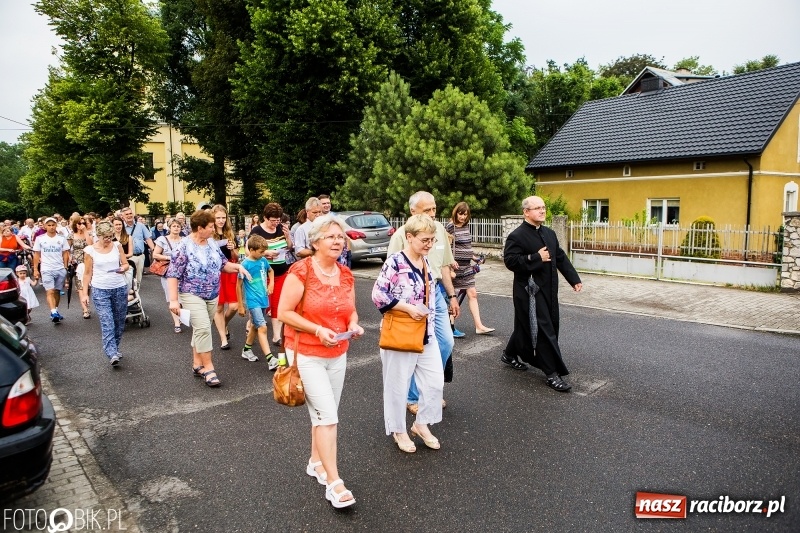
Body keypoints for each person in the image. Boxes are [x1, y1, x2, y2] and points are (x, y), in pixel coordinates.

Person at [278, 214, 362, 509]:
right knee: (328, 417)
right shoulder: (300, 272)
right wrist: (316, 329)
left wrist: (354, 324)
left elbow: (350, 311)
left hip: (338, 353)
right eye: (331, 236)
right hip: (306, 353)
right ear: (315, 242)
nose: (338, 241)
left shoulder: (346, 274)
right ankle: (334, 482)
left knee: (324, 414)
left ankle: (315, 462)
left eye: (341, 236)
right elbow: (284, 312)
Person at [373, 214, 444, 454]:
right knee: (397, 386)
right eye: (425, 239)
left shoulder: (426, 262)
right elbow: (378, 295)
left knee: (435, 383)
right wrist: (408, 308)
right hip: (400, 334)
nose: (429, 244)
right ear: (409, 237)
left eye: (432, 240)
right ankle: (398, 430)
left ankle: (421, 424)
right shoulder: (395, 262)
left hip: (426, 333)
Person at [387, 191, 460, 415]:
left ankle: (428, 388)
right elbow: (390, 275)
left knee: (446, 342)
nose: (432, 213)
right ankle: (412, 397)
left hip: (435, 292)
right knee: (414, 347)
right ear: (412, 212)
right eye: (427, 209)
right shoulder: (401, 236)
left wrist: (452, 296)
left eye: (434, 208)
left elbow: (445, 267)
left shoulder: (439, 230)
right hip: (410, 297)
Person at [502, 196, 583, 392]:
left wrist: (574, 279)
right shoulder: (517, 236)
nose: (542, 211)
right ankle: (551, 373)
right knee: (543, 329)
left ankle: (509, 354)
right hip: (529, 292)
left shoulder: (549, 233)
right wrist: (536, 257)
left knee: (528, 324)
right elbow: (510, 261)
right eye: (537, 208)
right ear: (526, 212)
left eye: (543, 207)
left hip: (548, 289)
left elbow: (560, 257)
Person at [166, 210, 251, 388]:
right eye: (210, 226)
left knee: (201, 328)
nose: (214, 229)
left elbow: (222, 264)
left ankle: (197, 364)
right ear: (199, 228)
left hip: (213, 293)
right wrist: (174, 300)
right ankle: (209, 368)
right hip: (191, 293)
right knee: (204, 328)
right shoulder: (183, 247)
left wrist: (238, 267)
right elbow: (173, 275)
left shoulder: (211, 243)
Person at [80, 221, 132, 366]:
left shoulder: (117, 246)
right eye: (105, 237)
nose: (108, 239)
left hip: (119, 287)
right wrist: (85, 294)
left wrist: (123, 268)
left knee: (119, 321)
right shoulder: (90, 250)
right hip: (100, 289)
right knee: (107, 321)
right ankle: (112, 353)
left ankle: (115, 347)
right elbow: (87, 273)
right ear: (98, 236)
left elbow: (126, 264)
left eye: (110, 236)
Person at [249, 203, 293, 346]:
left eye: (278, 220)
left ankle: (276, 336)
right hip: (262, 274)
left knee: (277, 304)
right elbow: (249, 251)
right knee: (261, 303)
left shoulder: (281, 228)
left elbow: (290, 247)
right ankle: (251, 326)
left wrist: (288, 236)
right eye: (273, 220)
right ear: (265, 218)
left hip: (281, 272)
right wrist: (266, 253)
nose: (275, 223)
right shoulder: (256, 230)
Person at [446, 202, 494, 335]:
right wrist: (450, 261)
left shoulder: (466, 227)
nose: (462, 217)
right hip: (455, 268)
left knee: (473, 294)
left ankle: (479, 326)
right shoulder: (450, 227)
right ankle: (450, 326)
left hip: (467, 266)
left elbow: (466, 247)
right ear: (456, 213)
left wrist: (474, 257)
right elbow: (445, 246)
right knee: (453, 296)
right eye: (460, 214)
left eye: (465, 214)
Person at [236, 234, 277, 366]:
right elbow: (238, 285)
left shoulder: (263, 261)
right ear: (252, 250)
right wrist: (241, 305)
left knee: (254, 325)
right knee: (263, 327)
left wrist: (271, 284)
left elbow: (271, 271)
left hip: (263, 299)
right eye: (261, 252)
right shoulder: (245, 264)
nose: (263, 254)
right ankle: (270, 359)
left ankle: (246, 350)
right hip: (253, 301)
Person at [211, 204, 239, 351]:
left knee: (234, 306)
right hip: (216, 272)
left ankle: (223, 323)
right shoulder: (209, 234)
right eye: (218, 218)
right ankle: (223, 338)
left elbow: (236, 257)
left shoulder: (230, 233)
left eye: (223, 217)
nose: (221, 220)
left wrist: (232, 248)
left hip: (230, 269)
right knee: (219, 307)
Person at [32, 217, 70, 324]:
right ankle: (53, 311)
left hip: (59, 268)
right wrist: (35, 269)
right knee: (50, 290)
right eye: (49, 225)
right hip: (46, 268)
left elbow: (65, 253)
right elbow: (36, 254)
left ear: (56, 225)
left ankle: (55, 310)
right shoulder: (40, 238)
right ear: (45, 226)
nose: (51, 227)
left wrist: (65, 267)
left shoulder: (61, 238)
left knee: (57, 291)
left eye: (53, 225)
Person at [153, 218, 185, 333]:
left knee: (182, 297)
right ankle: (177, 322)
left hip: (182, 273)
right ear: (169, 227)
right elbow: (155, 254)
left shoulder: (184, 240)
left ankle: (180, 315)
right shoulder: (163, 239)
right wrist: (169, 257)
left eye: (178, 226)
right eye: (174, 226)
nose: (176, 228)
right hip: (168, 272)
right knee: (172, 297)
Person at [69, 214, 94, 319]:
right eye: (80, 223)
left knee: (87, 286)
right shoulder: (71, 235)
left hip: (88, 262)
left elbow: (91, 245)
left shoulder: (89, 233)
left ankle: (86, 303)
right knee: (80, 286)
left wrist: (85, 232)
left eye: (84, 223)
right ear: (75, 224)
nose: (82, 225)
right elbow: (67, 249)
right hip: (77, 263)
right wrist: (70, 258)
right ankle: (85, 309)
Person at [121, 207, 154, 286]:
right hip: (128, 257)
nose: (129, 215)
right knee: (128, 280)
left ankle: (136, 297)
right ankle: (128, 297)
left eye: (130, 213)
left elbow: (148, 239)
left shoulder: (140, 226)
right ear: (122, 217)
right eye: (127, 214)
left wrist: (154, 250)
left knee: (138, 280)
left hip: (140, 256)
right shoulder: (121, 227)